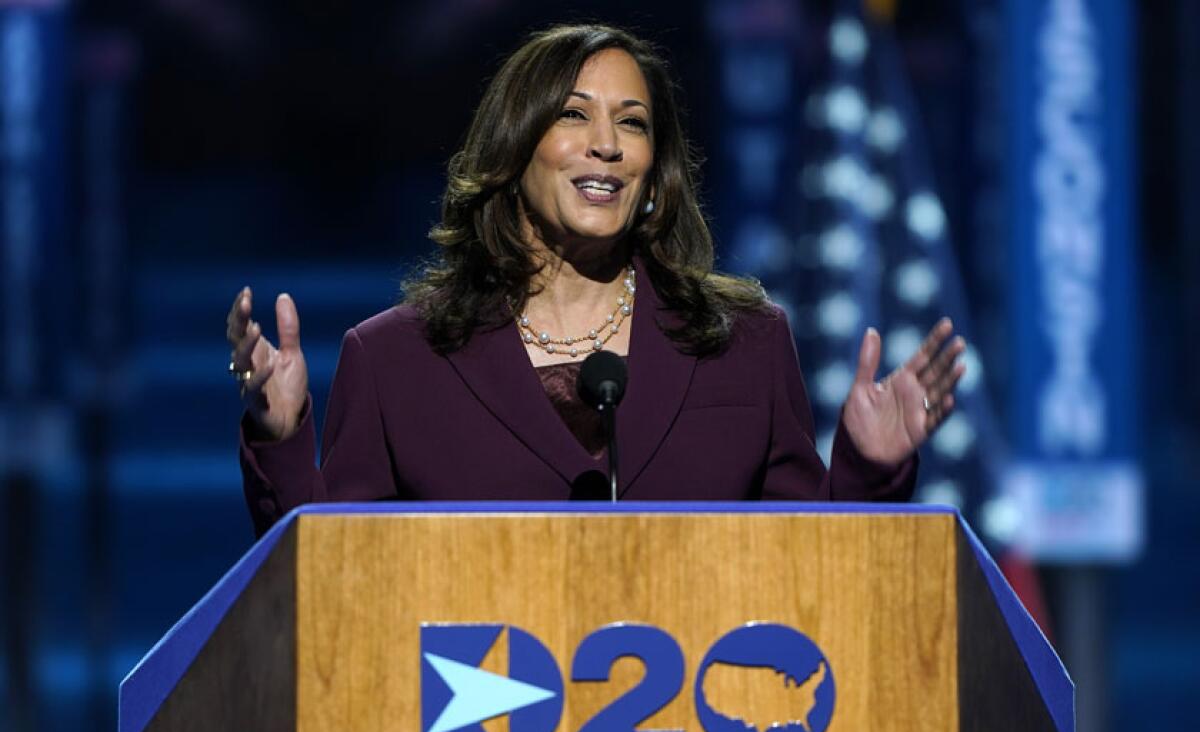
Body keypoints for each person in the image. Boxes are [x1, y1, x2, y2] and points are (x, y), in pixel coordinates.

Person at [226, 24, 965, 537]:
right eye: (574, 116)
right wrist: (282, 435)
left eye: (633, 123)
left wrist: (870, 468)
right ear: (514, 152)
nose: (607, 145)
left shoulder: (746, 346)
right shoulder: (395, 362)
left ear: (653, 175)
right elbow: (332, 585)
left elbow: (811, 573)